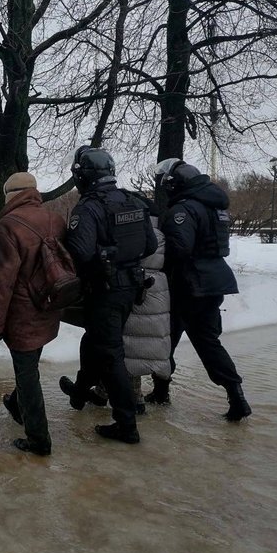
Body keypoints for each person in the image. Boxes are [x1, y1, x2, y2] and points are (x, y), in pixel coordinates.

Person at [59, 147, 157, 444]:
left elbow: (80, 253)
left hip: (105, 291)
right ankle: (80, 392)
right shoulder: (132, 200)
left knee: (111, 355)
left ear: (83, 176)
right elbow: (150, 246)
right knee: (95, 342)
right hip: (130, 288)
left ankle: (126, 424)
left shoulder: (89, 208)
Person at [150, 158, 252, 421]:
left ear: (175, 184)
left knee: (165, 341)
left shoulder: (184, 209)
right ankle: (236, 395)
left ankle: (161, 392)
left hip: (188, 285)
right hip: (213, 282)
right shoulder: (213, 206)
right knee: (208, 342)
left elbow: (179, 248)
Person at [0, 172, 67, 456]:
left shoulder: (8, 226)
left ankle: (38, 440)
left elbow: (1, 282)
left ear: (10, 196)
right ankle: (16, 405)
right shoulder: (55, 218)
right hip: (49, 306)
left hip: (22, 314)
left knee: (27, 373)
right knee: (29, 365)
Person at [85, 195, 172, 415]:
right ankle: (107, 392)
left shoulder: (136, 231)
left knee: (127, 347)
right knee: (134, 347)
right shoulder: (160, 234)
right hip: (155, 293)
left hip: (135, 290)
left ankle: (134, 400)